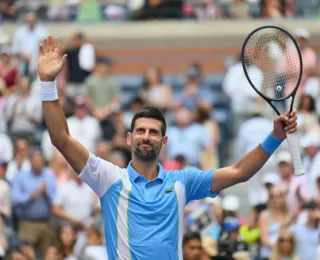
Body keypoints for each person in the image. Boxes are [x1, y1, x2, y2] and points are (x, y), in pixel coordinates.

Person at [38, 36, 298, 260]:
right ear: (129, 138)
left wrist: (275, 137)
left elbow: (240, 171)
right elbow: (61, 138)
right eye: (140, 131)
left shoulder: (182, 182)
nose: (146, 136)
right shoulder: (107, 178)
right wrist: (48, 84)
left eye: (153, 132)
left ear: (164, 142)